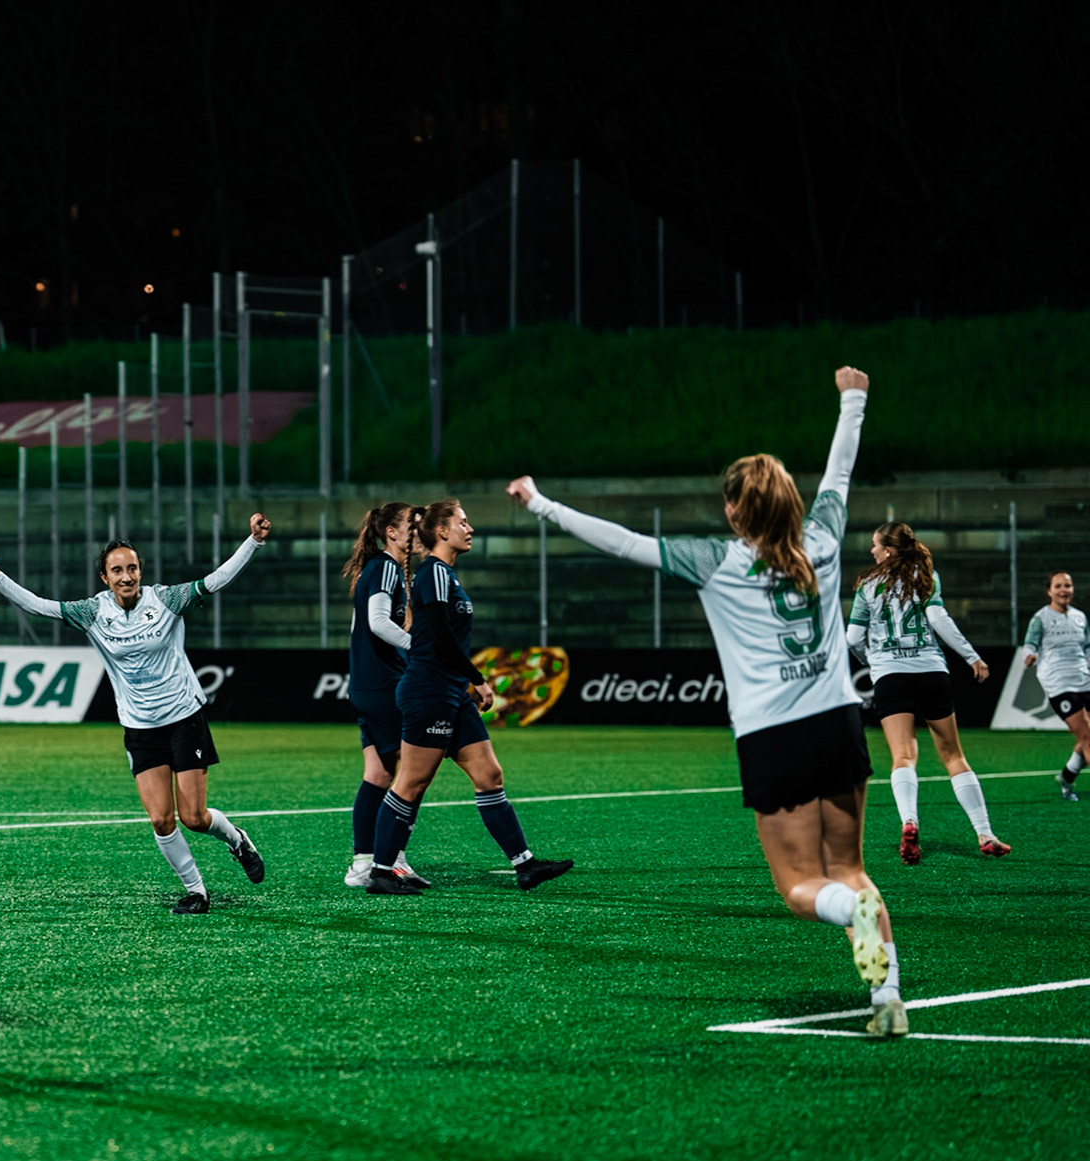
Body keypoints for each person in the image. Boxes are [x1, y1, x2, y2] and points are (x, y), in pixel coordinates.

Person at [506, 366, 908, 1037]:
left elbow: (624, 543)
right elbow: (839, 472)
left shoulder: (717, 561)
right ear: (791, 502)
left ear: (733, 512)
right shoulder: (823, 540)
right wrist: (853, 399)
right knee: (851, 869)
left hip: (773, 736)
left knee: (801, 888)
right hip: (839, 723)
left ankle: (850, 915)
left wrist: (542, 503)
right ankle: (887, 998)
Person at [0, 517, 273, 913]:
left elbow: (215, 580)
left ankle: (238, 840)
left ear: (140, 572)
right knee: (161, 819)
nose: (126, 576)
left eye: (132, 568)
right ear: (105, 577)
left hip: (184, 719)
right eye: (117, 570)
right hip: (140, 728)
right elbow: (40, 606)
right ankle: (197, 892)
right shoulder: (92, 612)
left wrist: (253, 541)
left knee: (194, 818)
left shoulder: (166, 600)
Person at [367, 498, 574, 897]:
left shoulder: (447, 575)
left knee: (489, 775)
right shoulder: (433, 571)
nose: (470, 528)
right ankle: (380, 871)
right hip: (429, 691)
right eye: (462, 522)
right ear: (442, 531)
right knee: (411, 782)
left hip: (450, 692)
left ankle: (525, 865)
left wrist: (464, 682)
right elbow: (440, 636)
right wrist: (477, 679)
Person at [846, 522, 1008, 861]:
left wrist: (873, 661)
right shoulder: (926, 576)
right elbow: (938, 618)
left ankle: (909, 821)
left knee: (903, 756)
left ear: (889, 550)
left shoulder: (867, 585)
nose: (872, 550)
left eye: (875, 545)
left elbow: (852, 639)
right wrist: (972, 657)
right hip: (931, 671)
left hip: (890, 675)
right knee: (953, 756)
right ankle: (985, 833)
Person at [341, 502, 430, 888]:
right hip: (383, 684)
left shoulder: (377, 567)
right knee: (414, 773)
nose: (418, 532)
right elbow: (377, 623)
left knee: (378, 774)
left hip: (366, 684)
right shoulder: (386, 567)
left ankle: (363, 864)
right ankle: (392, 859)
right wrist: (420, 649)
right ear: (391, 533)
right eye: (412, 526)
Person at [1022, 570, 1090, 801]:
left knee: (1086, 738)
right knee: (1087, 736)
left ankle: (1066, 777)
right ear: (1049, 591)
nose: (1063, 590)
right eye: (1058, 586)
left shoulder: (1080, 617)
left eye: (1067, 586)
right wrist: (1029, 655)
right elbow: (1030, 644)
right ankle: (1067, 778)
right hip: (1059, 683)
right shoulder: (1040, 618)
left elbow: (1087, 647)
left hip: (1084, 679)